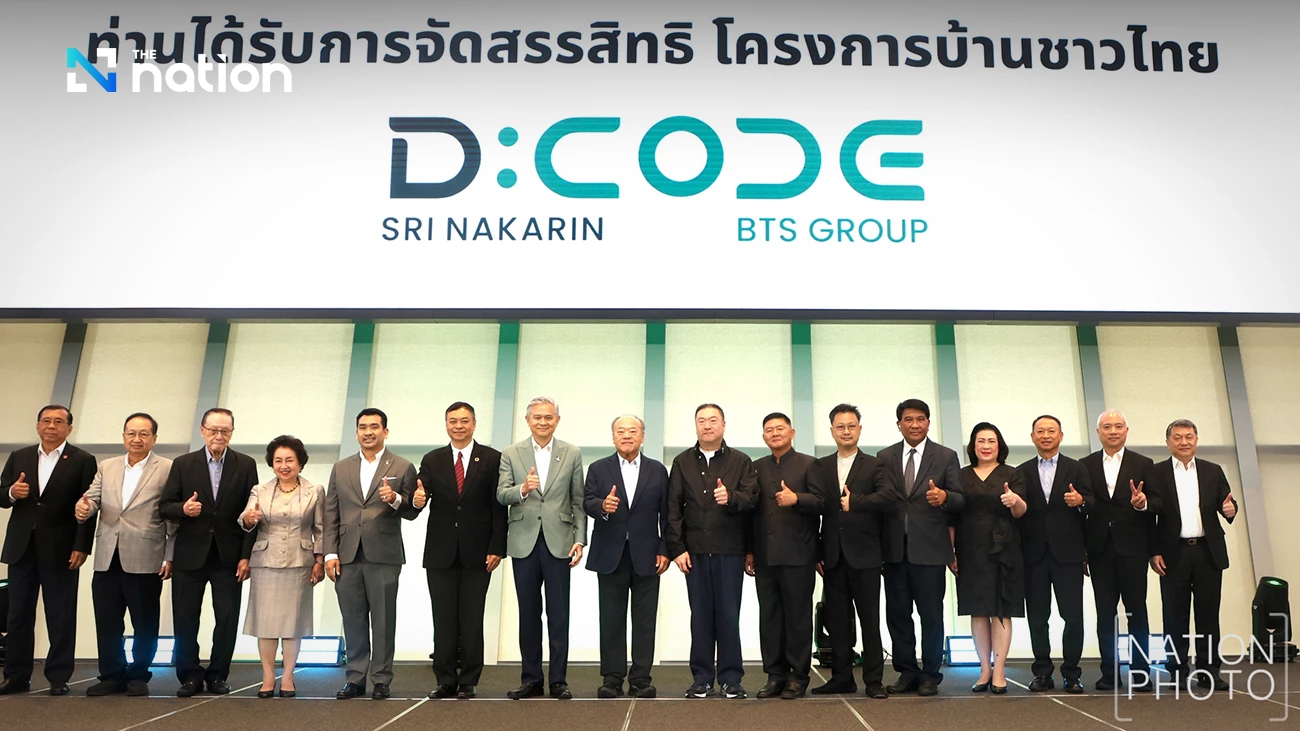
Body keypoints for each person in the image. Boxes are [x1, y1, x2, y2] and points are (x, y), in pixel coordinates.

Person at [158, 407, 259, 697]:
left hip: (228, 556)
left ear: (232, 433)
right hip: (189, 554)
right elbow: (164, 506)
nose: (218, 435)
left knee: (226, 618)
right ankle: (189, 675)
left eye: (224, 431)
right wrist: (183, 509)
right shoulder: (183, 464)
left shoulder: (245, 464)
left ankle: (218, 675)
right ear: (202, 431)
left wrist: (246, 555)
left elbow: (251, 513)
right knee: (185, 617)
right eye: (213, 430)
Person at [0, 405, 98, 696]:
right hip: (22, 547)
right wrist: (11, 493)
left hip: (62, 548)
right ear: (37, 425)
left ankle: (58, 676)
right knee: (17, 615)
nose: (51, 426)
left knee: (61, 614)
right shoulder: (20, 456)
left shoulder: (83, 460)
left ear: (69, 428)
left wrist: (81, 546)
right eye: (46, 421)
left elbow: (88, 506)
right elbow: (2, 495)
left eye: (58, 422)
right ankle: (16, 676)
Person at [76, 412, 175, 697]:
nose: (137, 439)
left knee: (144, 621)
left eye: (144, 434)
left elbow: (172, 516)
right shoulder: (107, 466)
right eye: (131, 433)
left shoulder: (167, 468)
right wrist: (84, 509)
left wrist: (170, 555)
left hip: (146, 555)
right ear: (123, 436)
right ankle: (111, 675)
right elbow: (92, 497)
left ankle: (139, 675)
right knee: (107, 620)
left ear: (154, 438)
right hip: (108, 554)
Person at [412, 402, 505, 700]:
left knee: (471, 617)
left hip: (479, 552)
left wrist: (497, 546)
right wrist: (416, 498)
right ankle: (445, 679)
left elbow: (499, 507)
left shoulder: (492, 458)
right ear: (446, 424)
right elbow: (421, 494)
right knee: (443, 617)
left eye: (464, 421)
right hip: (440, 551)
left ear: (474, 424)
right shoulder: (432, 459)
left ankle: (469, 679)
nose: (459, 426)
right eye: (453, 421)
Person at [323, 407, 418, 700]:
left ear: (385, 432)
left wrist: (396, 499)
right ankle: (355, 678)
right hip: (347, 554)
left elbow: (412, 510)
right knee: (352, 619)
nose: (368, 432)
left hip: (384, 553)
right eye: (363, 427)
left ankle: (381, 679)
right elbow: (331, 512)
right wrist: (329, 553)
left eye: (374, 427)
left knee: (383, 619)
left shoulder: (403, 466)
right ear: (356, 433)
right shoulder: (341, 468)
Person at [496, 396, 587, 700]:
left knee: (559, 615)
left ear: (557, 420)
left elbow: (578, 501)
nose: (543, 422)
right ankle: (531, 679)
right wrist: (522, 489)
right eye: (537, 417)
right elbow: (501, 494)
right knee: (529, 613)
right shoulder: (511, 453)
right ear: (528, 420)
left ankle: (558, 680)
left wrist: (580, 539)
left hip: (560, 541)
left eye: (549, 417)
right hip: (523, 541)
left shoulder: (571, 453)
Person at [666, 403, 758, 700]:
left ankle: (731, 678)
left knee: (729, 616)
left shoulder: (741, 461)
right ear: (696, 426)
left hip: (729, 550)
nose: (707, 425)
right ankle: (702, 678)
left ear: (723, 425)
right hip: (694, 552)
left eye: (713, 420)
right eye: (701, 421)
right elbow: (673, 508)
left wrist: (730, 496)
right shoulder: (682, 461)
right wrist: (677, 548)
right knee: (701, 617)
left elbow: (751, 500)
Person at [877, 398, 964, 696]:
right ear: (899, 424)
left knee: (931, 616)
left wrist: (945, 497)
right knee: (898, 615)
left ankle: (930, 674)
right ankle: (907, 672)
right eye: (908, 419)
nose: (914, 424)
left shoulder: (946, 456)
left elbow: (961, 498)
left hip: (930, 549)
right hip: (894, 550)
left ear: (928, 422)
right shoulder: (884, 457)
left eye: (920, 419)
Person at [812, 404, 898, 699]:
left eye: (851, 426)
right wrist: (818, 552)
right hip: (832, 556)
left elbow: (888, 497)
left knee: (869, 620)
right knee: (837, 621)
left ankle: (874, 680)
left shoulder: (875, 465)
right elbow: (817, 509)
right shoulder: (821, 465)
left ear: (859, 429)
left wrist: (856, 502)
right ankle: (841, 678)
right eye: (840, 426)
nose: (846, 431)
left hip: (866, 555)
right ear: (832, 431)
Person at [1145, 419, 1237, 692]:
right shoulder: (1156, 472)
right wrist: (1153, 551)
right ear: (1168, 442)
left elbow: (1226, 502)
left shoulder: (1213, 470)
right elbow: (1150, 516)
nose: (1183, 442)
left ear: (1196, 440)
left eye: (1189, 436)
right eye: (1177, 437)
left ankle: (1210, 672)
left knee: (1208, 615)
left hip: (1208, 551)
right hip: (1173, 553)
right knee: (1174, 616)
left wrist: (1231, 509)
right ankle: (1177, 671)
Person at [583, 415, 670, 699]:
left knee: (645, 620)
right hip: (611, 554)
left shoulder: (657, 470)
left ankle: (641, 679)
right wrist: (603, 506)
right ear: (613, 437)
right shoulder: (598, 468)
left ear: (642, 437)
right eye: (620, 431)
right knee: (611, 619)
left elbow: (667, 514)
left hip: (647, 555)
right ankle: (612, 678)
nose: (627, 436)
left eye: (633, 431)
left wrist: (664, 549)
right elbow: (587, 501)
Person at [746, 413, 826, 700]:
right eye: (769, 430)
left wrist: (797, 499)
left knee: (798, 617)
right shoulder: (755, 467)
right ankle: (774, 675)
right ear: (763, 436)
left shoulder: (809, 464)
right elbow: (750, 513)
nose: (775, 433)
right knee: (769, 617)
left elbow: (823, 502)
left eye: (780, 428)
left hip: (799, 553)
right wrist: (749, 550)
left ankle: (798, 676)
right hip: (764, 555)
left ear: (792, 432)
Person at [239, 435, 324, 698]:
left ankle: (288, 677)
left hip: (300, 563)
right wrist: (249, 518)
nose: (284, 466)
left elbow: (321, 528)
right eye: (278, 460)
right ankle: (267, 677)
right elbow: (245, 519)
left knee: (292, 624)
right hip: (265, 563)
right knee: (265, 624)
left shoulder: (315, 490)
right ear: (271, 463)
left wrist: (320, 560)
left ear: (300, 463)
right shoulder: (259, 490)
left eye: (289, 460)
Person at [1017, 414, 1095, 694]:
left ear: (1061, 436)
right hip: (1033, 554)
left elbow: (1092, 504)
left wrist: (1081, 501)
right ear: (1032, 437)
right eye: (1040, 431)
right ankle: (1042, 673)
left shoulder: (1077, 468)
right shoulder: (1021, 471)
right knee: (1038, 618)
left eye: (1051, 431)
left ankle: (1072, 674)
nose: (1046, 435)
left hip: (1069, 554)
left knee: (1072, 617)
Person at [1080, 409, 1155, 692]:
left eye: (1118, 426)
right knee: (1105, 613)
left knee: (1137, 611)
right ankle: (1109, 672)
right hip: (1099, 548)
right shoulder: (1085, 465)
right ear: (1098, 432)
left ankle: (1141, 672)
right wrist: (1083, 550)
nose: (1113, 431)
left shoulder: (1144, 464)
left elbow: (1156, 506)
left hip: (1134, 547)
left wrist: (1142, 503)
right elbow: (1082, 510)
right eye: (1107, 426)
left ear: (1126, 430)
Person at [952, 422, 1027, 695]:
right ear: (973, 446)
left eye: (991, 441)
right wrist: (951, 550)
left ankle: (1000, 669)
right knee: (978, 609)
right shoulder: (960, 476)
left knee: (1001, 609)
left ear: (999, 445)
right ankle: (984, 668)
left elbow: (1022, 511)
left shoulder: (1013, 473)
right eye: (980, 441)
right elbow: (951, 516)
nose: (986, 446)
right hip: (970, 549)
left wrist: (1014, 501)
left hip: (1004, 549)